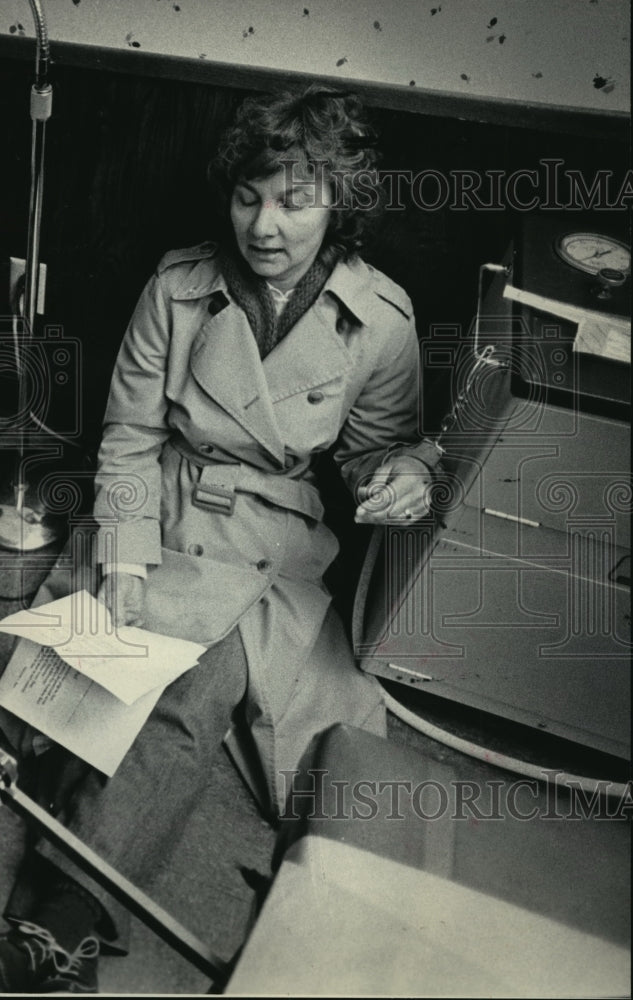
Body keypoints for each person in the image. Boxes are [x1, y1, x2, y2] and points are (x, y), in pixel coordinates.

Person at [0, 85, 441, 993]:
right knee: (55, 675)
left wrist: (407, 477)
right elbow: (126, 436)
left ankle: (62, 911)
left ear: (338, 203)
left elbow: (367, 461)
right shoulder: (178, 286)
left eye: (294, 199)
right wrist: (120, 556)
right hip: (159, 505)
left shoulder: (381, 322)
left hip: (268, 547)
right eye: (249, 196)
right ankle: (48, 806)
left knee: (190, 695)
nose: (265, 225)